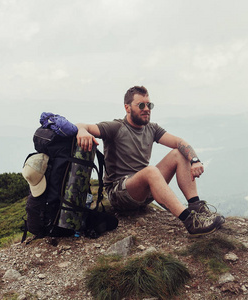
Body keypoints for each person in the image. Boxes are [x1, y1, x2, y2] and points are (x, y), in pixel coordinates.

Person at [76, 85, 225, 236]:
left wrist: (194, 160)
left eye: (149, 105)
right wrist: (82, 131)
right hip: (119, 193)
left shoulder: (152, 129)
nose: (146, 109)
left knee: (179, 153)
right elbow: (82, 125)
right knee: (151, 171)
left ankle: (196, 207)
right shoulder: (116, 127)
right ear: (127, 108)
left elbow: (179, 142)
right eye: (141, 105)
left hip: (143, 190)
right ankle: (190, 222)